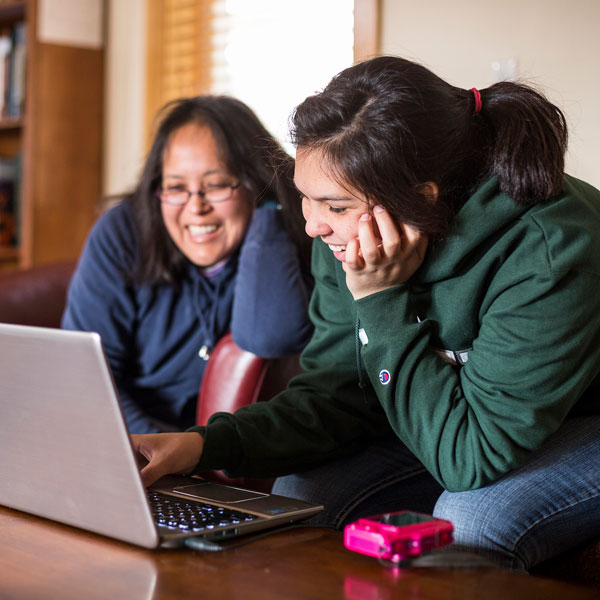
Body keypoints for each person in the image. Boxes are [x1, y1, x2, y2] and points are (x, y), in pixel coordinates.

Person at [130, 57, 600, 572]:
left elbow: (472, 459)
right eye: (305, 196)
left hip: (579, 421)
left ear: (420, 199)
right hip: (464, 424)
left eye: (333, 206)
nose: (312, 225)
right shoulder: (347, 234)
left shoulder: (550, 250)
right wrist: (200, 445)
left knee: (474, 523)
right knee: (301, 496)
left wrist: (381, 301)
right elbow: (337, 394)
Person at [62, 95, 313, 434]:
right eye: (176, 187)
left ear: (257, 183)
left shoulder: (277, 243)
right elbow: (83, 373)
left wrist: (270, 213)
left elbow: (270, 336)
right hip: (124, 435)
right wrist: (157, 452)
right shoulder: (121, 233)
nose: (196, 208)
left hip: (221, 452)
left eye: (216, 185)